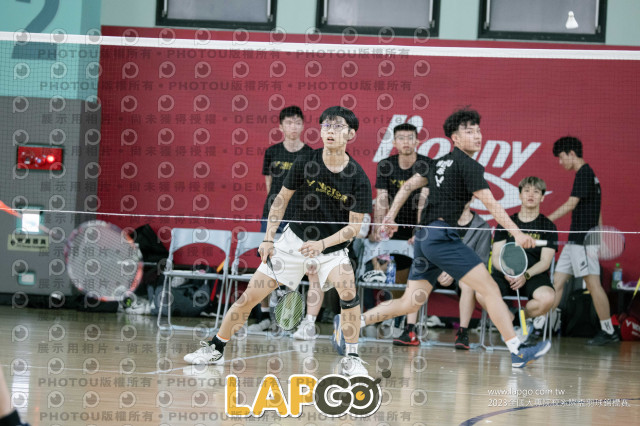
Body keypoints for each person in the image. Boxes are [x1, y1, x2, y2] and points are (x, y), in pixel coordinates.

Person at [333, 108, 551, 368]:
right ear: (455, 138)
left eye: (478, 130)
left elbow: (407, 186)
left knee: (409, 302)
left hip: (424, 239)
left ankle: (350, 322)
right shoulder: (469, 165)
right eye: (469, 131)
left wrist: (390, 216)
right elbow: (490, 202)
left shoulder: (437, 163)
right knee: (490, 288)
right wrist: (517, 233)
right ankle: (517, 350)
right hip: (441, 236)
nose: (477, 135)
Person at [185, 106, 373, 377]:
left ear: (351, 134)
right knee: (250, 297)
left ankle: (352, 357)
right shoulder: (306, 162)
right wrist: (268, 239)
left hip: (331, 250)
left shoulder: (358, 178)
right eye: (326, 126)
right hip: (293, 242)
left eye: (338, 126)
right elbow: (280, 200)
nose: (330, 131)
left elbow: (353, 228)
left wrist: (321, 245)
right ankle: (216, 347)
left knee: (347, 290)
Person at [248, 106, 314, 333]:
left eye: (297, 122)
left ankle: (287, 317)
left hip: (298, 218)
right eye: (289, 123)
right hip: (273, 217)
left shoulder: (310, 154)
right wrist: (274, 212)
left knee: (293, 266)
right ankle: (264, 316)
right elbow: (270, 187)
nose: (293, 127)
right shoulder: (272, 152)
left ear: (303, 126)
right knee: (266, 263)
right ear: (281, 126)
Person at [548, 136, 618, 345]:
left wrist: (545, 221)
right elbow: (598, 210)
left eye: (561, 157)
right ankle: (541, 327)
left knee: (593, 284)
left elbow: (571, 204)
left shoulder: (584, 173)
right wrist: (599, 234)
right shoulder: (589, 175)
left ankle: (608, 330)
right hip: (575, 241)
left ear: (571, 153)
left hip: (583, 241)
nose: (560, 162)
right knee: (557, 282)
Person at [370, 123, 431, 345]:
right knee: (395, 276)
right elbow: (382, 198)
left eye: (410, 137)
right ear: (395, 142)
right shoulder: (386, 165)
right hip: (392, 226)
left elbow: (424, 199)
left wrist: (419, 230)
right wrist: (380, 228)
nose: (406, 142)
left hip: (418, 227)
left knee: (414, 277)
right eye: (401, 138)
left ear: (417, 141)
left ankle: (407, 321)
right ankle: (397, 315)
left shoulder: (427, 164)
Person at [478, 177, 557, 346]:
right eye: (526, 191)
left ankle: (520, 319)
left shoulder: (548, 226)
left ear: (542, 197)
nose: (531, 195)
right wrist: (507, 271)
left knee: (547, 298)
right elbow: (496, 256)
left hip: (533, 274)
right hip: (505, 273)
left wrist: (525, 275)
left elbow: (545, 261)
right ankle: (510, 320)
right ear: (520, 195)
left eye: (536, 192)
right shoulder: (506, 223)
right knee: (480, 293)